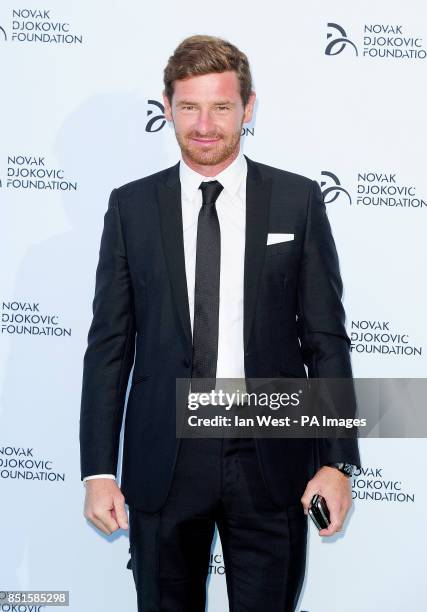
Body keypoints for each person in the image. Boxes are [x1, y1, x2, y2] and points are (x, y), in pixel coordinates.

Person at [80, 34, 361, 612]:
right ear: (167, 107)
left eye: (221, 107)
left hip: (270, 459)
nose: (204, 124)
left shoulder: (297, 201)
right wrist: (97, 472)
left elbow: (326, 341)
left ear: (248, 108)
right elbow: (109, 347)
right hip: (165, 461)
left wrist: (337, 460)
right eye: (189, 106)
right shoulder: (131, 208)